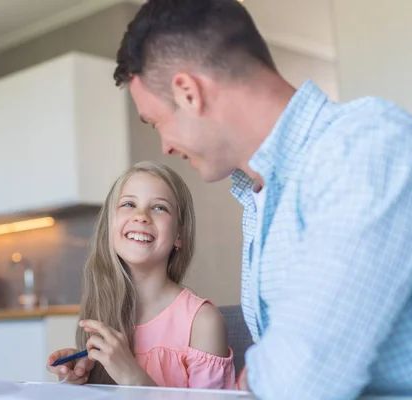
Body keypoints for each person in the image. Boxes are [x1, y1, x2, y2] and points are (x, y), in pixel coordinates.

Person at [110, 0, 412, 400]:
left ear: (188, 93)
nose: (164, 146)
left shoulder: (364, 145)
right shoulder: (261, 192)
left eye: (157, 123)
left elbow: (301, 381)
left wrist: (260, 375)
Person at [46, 161, 235, 389]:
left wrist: (132, 377)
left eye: (159, 208)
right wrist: (79, 381)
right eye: (128, 204)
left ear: (179, 235)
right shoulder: (100, 308)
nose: (141, 216)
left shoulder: (203, 323)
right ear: (109, 226)